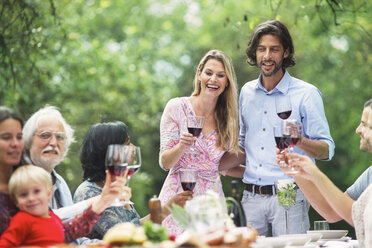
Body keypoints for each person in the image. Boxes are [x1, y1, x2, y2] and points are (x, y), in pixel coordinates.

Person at [219, 20, 335, 236]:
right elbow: (244, 146)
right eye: (261, 49)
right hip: (251, 197)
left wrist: (299, 141)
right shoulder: (246, 92)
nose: (267, 56)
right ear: (255, 53)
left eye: (274, 49)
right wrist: (212, 163)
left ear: (286, 52)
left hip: (289, 192)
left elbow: (327, 150)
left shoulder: (306, 94)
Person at [0, 106, 124, 242]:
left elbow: (62, 232)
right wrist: (93, 202)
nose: (53, 143)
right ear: (29, 141)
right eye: (45, 135)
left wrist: (101, 202)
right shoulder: (21, 183)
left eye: (60, 137)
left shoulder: (59, 183)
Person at [158, 49, 244, 236]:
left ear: (227, 81)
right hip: (179, 198)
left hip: (211, 202)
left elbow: (218, 166)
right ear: (199, 73)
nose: (214, 79)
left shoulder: (229, 119)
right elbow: (165, 163)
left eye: (221, 75)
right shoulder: (176, 107)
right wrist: (182, 146)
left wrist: (258, 174)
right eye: (209, 73)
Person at [74, 121, 193, 240]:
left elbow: (132, 227)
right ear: (109, 152)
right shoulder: (88, 192)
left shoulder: (115, 189)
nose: (133, 147)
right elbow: (121, 234)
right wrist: (166, 209)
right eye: (127, 143)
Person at [281, 99, 372, 247]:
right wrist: (296, 171)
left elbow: (351, 214)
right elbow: (332, 212)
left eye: (365, 124)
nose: (358, 130)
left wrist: (315, 173)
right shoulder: (370, 174)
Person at [0, 165, 122, 247]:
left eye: (36, 191)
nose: (31, 198)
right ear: (16, 201)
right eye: (23, 195)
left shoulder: (52, 218)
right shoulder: (22, 220)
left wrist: (101, 203)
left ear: (49, 193)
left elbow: (73, 229)